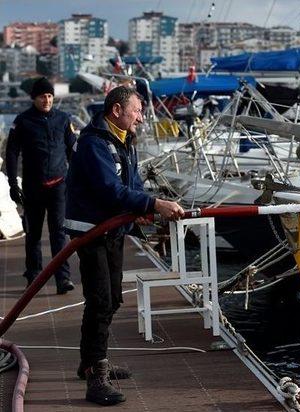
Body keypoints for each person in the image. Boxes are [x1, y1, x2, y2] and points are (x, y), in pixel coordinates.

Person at [65, 86, 184, 406]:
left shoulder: (123, 140)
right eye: (137, 110)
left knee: (113, 299)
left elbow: (130, 185)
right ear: (116, 110)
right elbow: (109, 191)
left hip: (112, 230)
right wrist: (154, 204)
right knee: (100, 300)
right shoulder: (94, 144)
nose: (142, 117)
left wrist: (142, 210)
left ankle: (90, 361)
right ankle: (95, 376)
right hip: (92, 232)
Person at [5, 77, 76, 294]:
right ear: (33, 98)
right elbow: (11, 151)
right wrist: (12, 183)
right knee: (33, 234)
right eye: (42, 96)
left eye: (49, 96)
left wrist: (77, 178)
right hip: (33, 188)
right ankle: (34, 278)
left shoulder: (63, 119)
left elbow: (72, 150)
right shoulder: (23, 121)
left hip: (58, 186)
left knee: (58, 234)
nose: (46, 100)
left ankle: (63, 279)